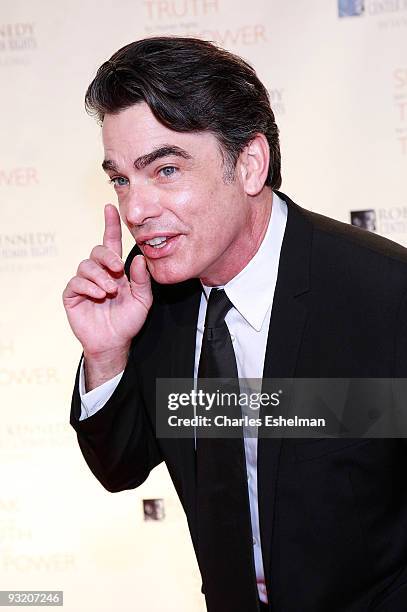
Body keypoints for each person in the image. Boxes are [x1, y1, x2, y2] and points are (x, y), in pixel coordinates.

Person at [63, 37, 407, 612]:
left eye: (165, 169)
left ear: (249, 164)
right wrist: (106, 354)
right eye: (120, 179)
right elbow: (121, 467)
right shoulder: (149, 292)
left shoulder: (383, 296)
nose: (136, 210)